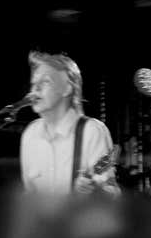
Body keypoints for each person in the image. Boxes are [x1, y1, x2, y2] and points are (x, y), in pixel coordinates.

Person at [19, 50, 119, 196]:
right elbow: (29, 193)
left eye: (45, 81)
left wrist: (96, 191)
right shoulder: (30, 134)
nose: (35, 89)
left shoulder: (92, 131)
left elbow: (112, 192)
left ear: (67, 88)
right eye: (33, 83)